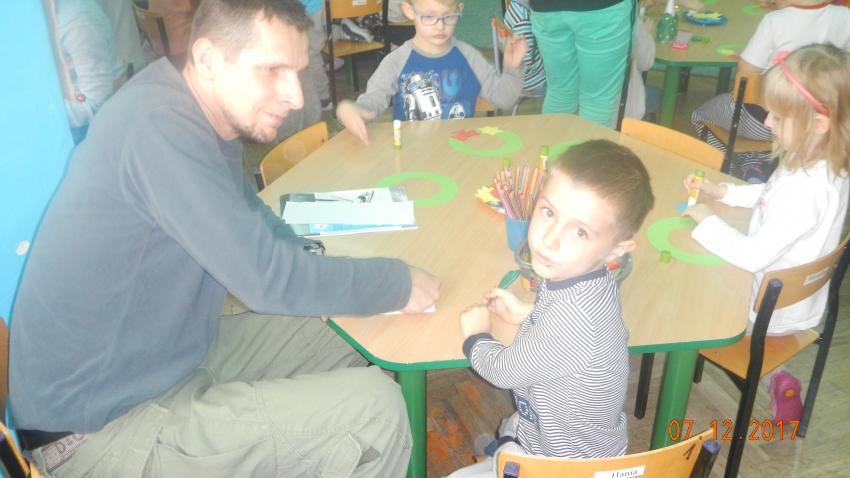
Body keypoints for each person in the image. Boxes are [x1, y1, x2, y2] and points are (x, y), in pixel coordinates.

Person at [9, 0, 441, 476]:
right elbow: (267, 279)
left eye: (297, 71)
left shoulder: (192, 110)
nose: (296, 97)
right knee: (373, 412)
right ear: (209, 59)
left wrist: (315, 263)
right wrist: (397, 282)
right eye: (272, 71)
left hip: (166, 361)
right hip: (95, 432)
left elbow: (253, 217)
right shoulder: (159, 125)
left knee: (349, 331)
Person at [448, 140, 655, 476]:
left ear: (616, 250)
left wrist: (477, 335)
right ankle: (507, 446)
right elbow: (573, 332)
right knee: (513, 424)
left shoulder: (572, 319)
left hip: (563, 465)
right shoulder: (588, 278)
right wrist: (528, 313)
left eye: (580, 232)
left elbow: (503, 371)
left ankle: (507, 451)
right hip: (569, 437)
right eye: (548, 212)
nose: (549, 239)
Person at [682, 44, 850, 421]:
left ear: (819, 124)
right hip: (794, 300)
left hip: (766, 312)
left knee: (685, 278)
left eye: (778, 116)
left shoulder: (803, 190)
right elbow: (771, 195)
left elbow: (751, 256)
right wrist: (724, 193)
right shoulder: (825, 164)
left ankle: (696, 358)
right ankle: (776, 374)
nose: (768, 123)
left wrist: (706, 220)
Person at [690, 0, 850, 182]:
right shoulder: (845, 16)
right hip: (822, 123)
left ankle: (730, 173)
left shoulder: (775, 20)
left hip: (767, 116)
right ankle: (753, 166)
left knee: (700, 115)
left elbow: (746, 71)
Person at [335, 0, 527, 145]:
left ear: (459, 9)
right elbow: (371, 103)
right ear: (409, 11)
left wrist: (512, 68)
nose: (440, 26)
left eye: (449, 16)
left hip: (458, 157)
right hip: (412, 159)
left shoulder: (469, 57)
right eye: (428, 16)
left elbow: (503, 99)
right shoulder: (396, 62)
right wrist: (348, 109)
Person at [527, 0, 632, 127]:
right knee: (597, 102)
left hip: (545, 8)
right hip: (602, 9)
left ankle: (551, 139)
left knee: (560, 92)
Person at [55, 0, 123, 144]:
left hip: (90, 126)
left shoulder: (76, 20)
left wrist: (37, 110)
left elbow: (95, 104)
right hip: (68, 109)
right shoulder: (44, 17)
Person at [503, 0, 546, 97]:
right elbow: (528, 58)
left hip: (522, 76)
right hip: (535, 81)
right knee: (569, 83)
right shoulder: (522, 20)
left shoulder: (515, 6)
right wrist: (549, 69)